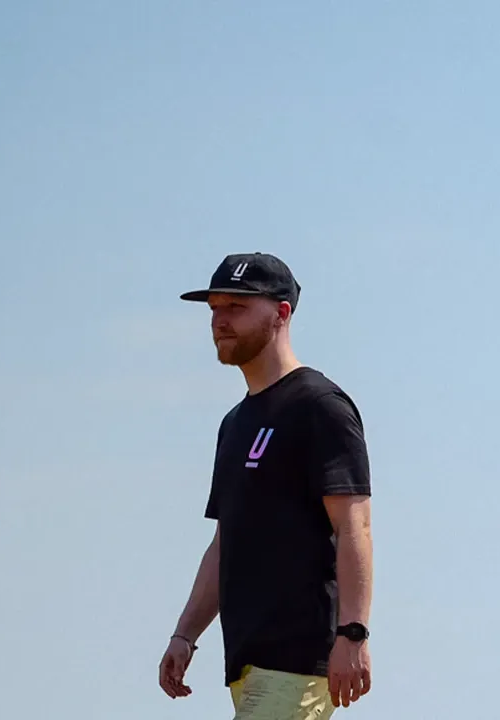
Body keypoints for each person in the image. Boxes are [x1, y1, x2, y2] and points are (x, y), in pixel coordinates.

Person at [156, 252, 374, 718]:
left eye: (237, 306)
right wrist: (185, 634)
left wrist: (353, 634)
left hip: (297, 659)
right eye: (214, 308)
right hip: (248, 664)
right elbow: (226, 542)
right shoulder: (234, 423)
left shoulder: (319, 406)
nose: (220, 320)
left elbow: (354, 526)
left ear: (281, 313)